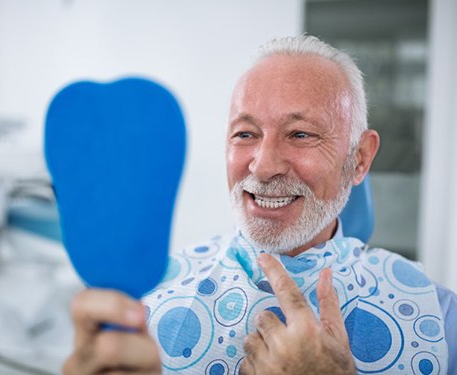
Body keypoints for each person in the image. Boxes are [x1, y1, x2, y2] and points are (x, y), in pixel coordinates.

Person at [63, 35, 457, 374]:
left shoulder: (438, 319)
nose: (264, 165)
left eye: (301, 134)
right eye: (245, 133)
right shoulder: (143, 305)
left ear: (359, 159)